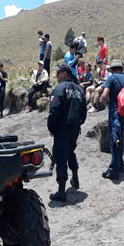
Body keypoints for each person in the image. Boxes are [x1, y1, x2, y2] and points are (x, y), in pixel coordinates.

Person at [48, 63, 87, 201]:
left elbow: (54, 111)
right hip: (74, 128)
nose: (56, 75)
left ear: (64, 73)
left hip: (62, 129)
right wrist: (77, 124)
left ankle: (61, 191)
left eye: (58, 73)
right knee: (71, 151)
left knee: (60, 156)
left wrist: (51, 127)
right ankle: (75, 178)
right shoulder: (79, 90)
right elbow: (84, 112)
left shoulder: (59, 89)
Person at [101, 60, 124, 180]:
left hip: (115, 112)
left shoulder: (111, 79)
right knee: (119, 138)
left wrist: (108, 103)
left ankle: (113, 170)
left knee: (115, 139)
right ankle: (120, 164)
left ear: (113, 70)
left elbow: (104, 95)